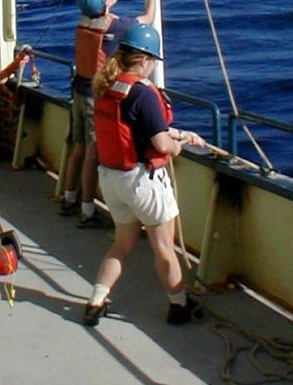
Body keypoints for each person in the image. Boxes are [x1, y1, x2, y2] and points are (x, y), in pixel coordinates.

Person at [82, 23, 205, 327]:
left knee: (122, 244)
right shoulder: (144, 93)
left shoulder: (105, 86)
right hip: (143, 182)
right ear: (147, 60)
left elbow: (135, 125)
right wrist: (178, 146)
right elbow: (160, 143)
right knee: (163, 248)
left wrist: (179, 133)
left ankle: (96, 301)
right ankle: (179, 306)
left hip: (112, 178)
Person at [61, 0, 163, 228]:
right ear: (104, 6)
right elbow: (148, 19)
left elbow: (106, 3)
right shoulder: (113, 27)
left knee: (78, 148)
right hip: (95, 97)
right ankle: (87, 211)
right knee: (93, 153)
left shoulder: (85, 21)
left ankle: (69, 197)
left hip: (78, 92)